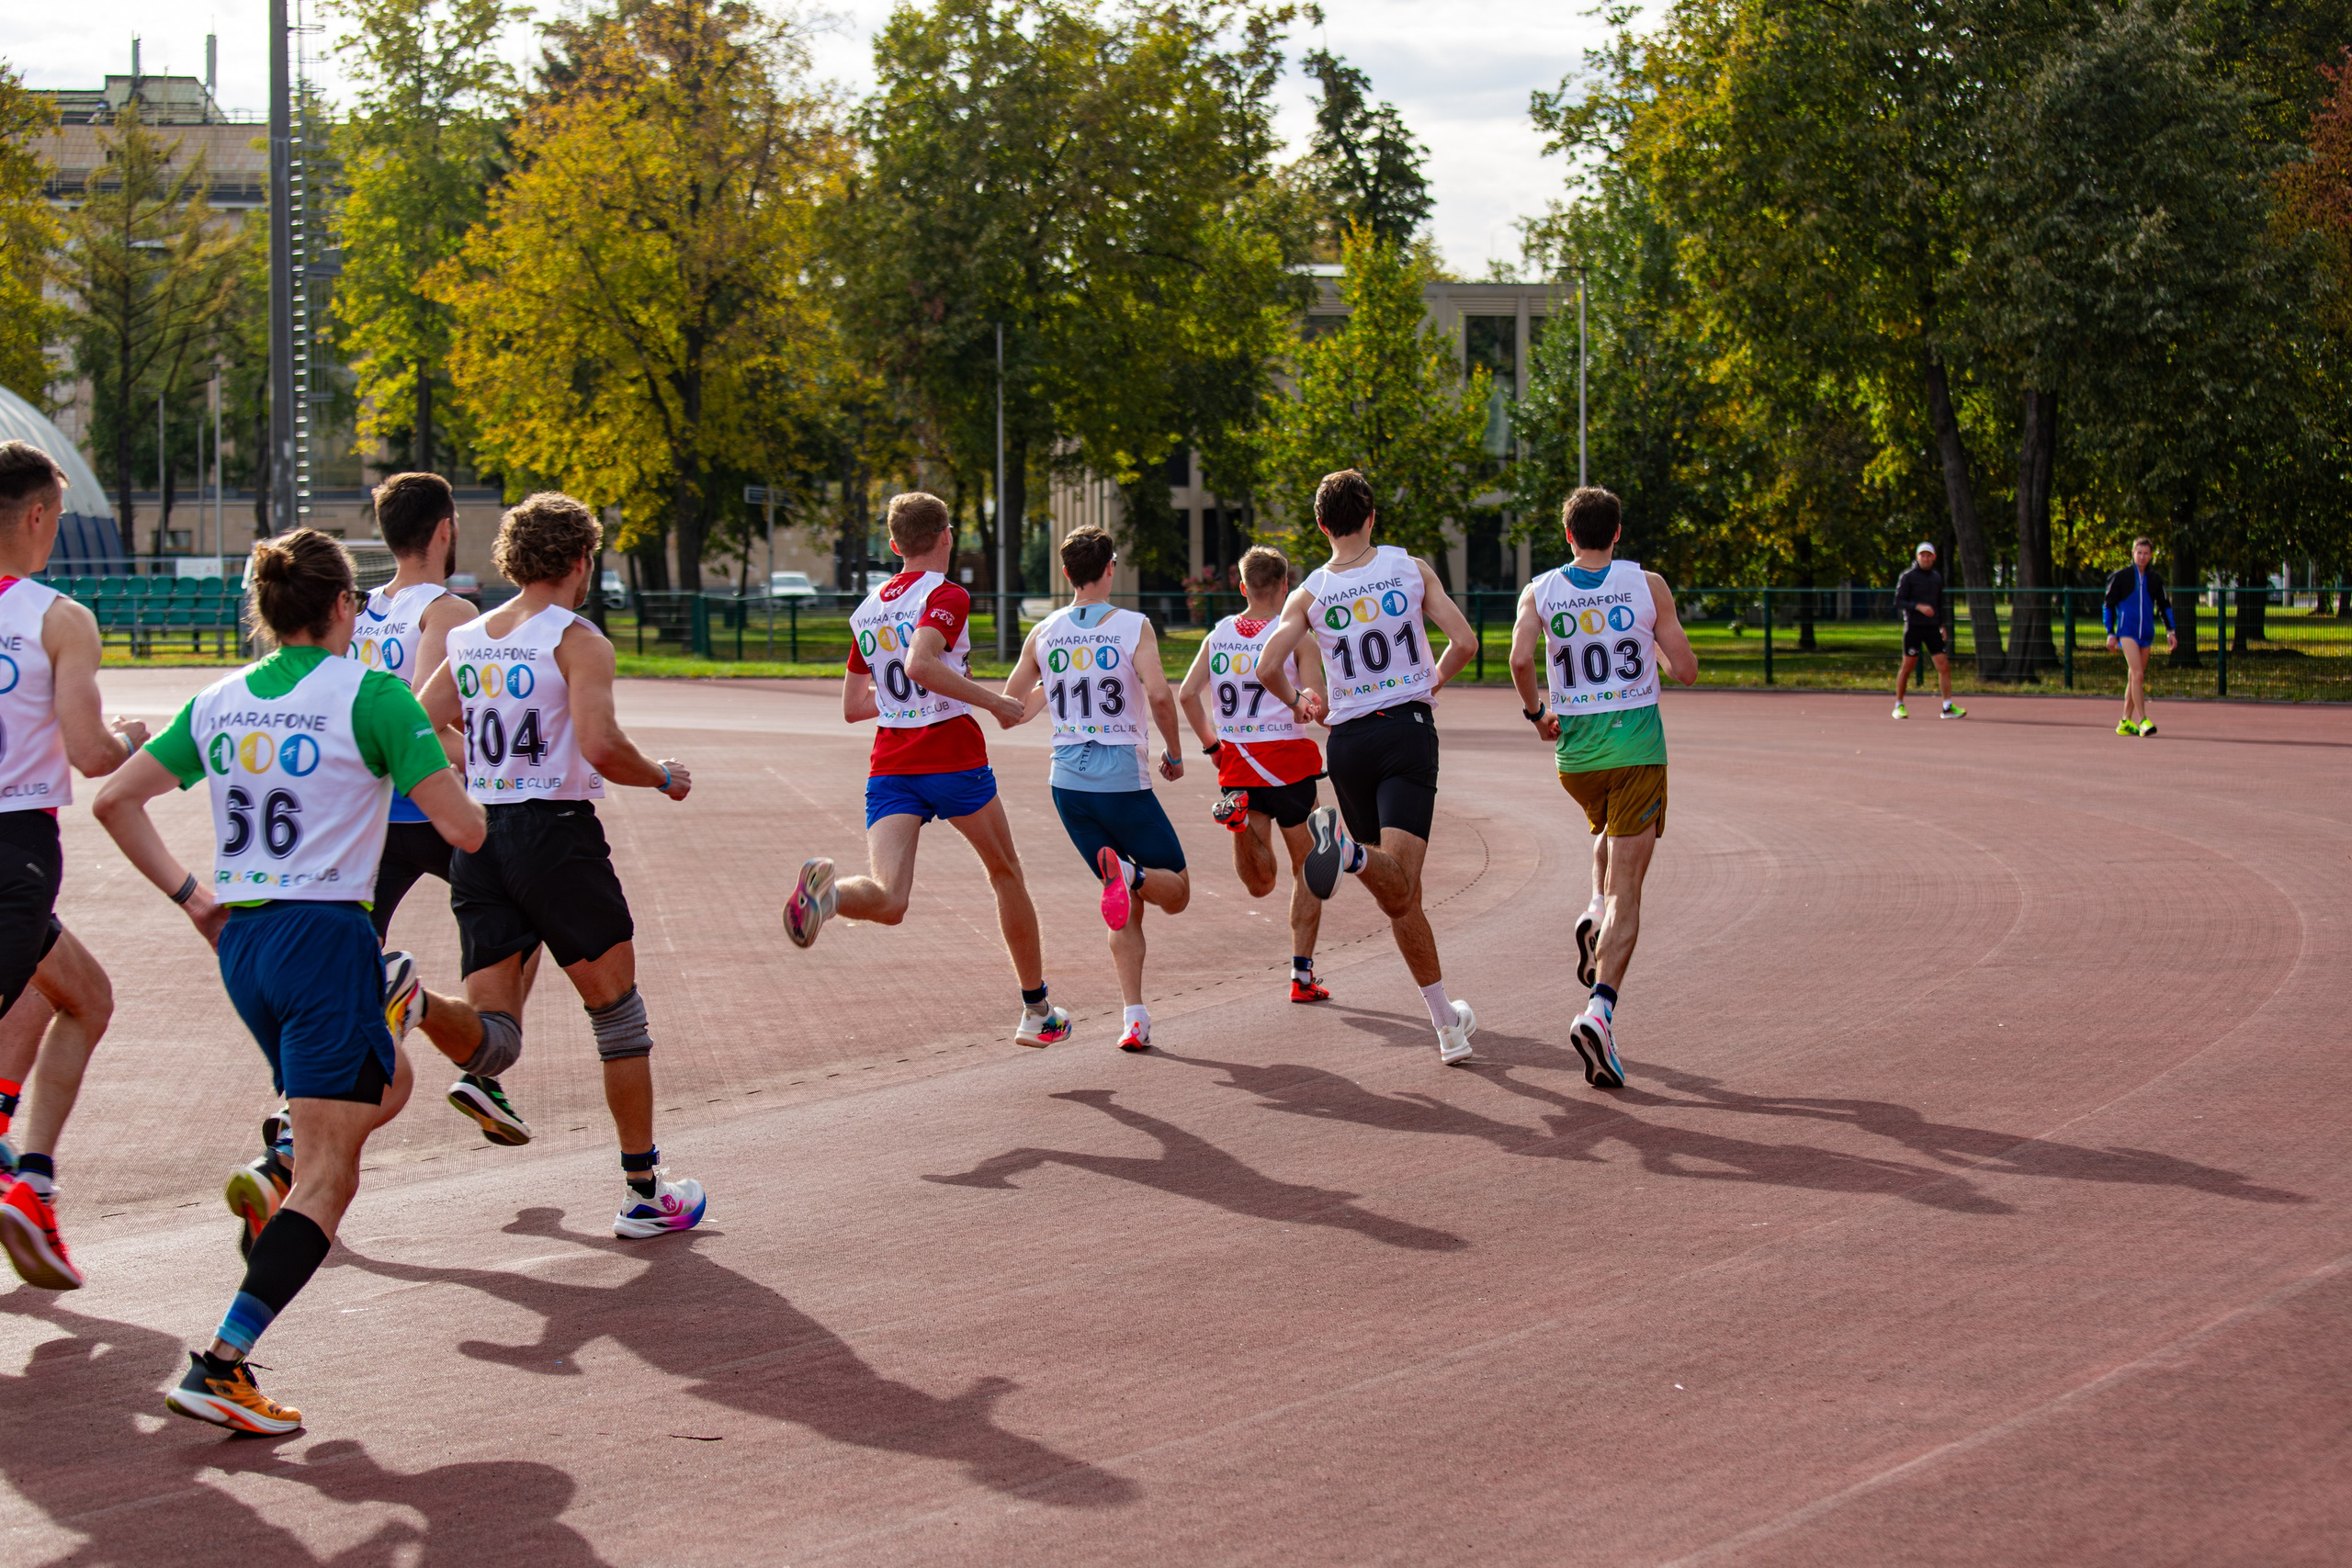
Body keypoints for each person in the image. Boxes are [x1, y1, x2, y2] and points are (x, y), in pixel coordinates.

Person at [92, 527, 487, 1433]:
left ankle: (381, 1025)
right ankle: (220, 1364)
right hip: (324, 939)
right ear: (346, 606)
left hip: (247, 949)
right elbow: (462, 831)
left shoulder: (223, 698)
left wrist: (193, 898)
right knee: (328, 1176)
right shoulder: (377, 697)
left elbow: (115, 799)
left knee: (386, 1084)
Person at [221, 471, 523, 1256]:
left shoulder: (363, 606)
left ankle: (291, 1135)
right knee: (513, 920)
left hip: (361, 818)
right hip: (425, 803)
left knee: (327, 990)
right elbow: (423, 711)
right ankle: (482, 1067)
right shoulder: (451, 611)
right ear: (446, 529)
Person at [414, 492, 707, 1237]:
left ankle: (412, 1000)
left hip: (482, 839)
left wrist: (480, 749)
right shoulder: (578, 639)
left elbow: (421, 719)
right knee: (618, 1017)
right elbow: (601, 744)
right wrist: (663, 776)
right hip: (555, 835)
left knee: (495, 1035)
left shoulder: (474, 633)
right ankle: (644, 1193)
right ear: (580, 560)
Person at [780, 492, 1072, 1049]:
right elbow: (920, 662)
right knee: (1006, 871)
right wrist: (993, 702)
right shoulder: (947, 593)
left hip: (890, 762)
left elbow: (853, 705)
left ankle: (830, 897)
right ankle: (1037, 1013)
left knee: (889, 901)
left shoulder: (866, 610)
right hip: (950, 754)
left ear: (893, 545)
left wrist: (902, 703)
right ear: (947, 536)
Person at [1256, 469, 1482, 1066]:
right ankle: (1351, 854)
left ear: (1322, 525)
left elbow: (1265, 664)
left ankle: (1446, 1025)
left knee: (1400, 896)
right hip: (1406, 732)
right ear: (1372, 516)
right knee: (1402, 885)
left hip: (1348, 744)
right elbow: (1464, 641)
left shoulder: (1307, 593)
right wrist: (1430, 679)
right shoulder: (1408, 568)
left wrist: (1301, 701)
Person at [0, 442, 148, 1292]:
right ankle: (23, 1177)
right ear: (34, 516)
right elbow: (93, 754)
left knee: (79, 994)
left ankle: (32, 1180)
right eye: (53, 516)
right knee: (65, 995)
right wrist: (131, 735)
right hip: (14, 851)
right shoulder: (58, 618)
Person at [1508, 487, 1698, 1089]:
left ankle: (1592, 908)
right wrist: (1657, 655)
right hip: (1637, 751)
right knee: (1630, 892)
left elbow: (1517, 657)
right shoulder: (1648, 584)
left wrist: (1538, 713)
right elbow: (1686, 668)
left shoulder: (1539, 590)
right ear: (1617, 533)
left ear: (1568, 536)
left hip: (1577, 757)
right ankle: (1601, 1011)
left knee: (1605, 832)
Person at [1003, 527, 1191, 1051]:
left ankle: (1134, 1017)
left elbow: (1011, 710)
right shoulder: (1133, 626)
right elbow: (1158, 695)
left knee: (1124, 899)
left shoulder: (1043, 631)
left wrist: (1060, 682)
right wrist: (1174, 754)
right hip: (1121, 781)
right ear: (1111, 568)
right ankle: (1128, 870)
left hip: (1068, 786)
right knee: (1174, 890)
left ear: (1067, 574)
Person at [1177, 544, 1331, 1003]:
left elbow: (1187, 695)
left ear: (1242, 587)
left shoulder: (1218, 635)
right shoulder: (1296, 637)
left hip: (1238, 764)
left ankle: (1240, 824)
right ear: (1285, 586)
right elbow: (1314, 699)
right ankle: (1301, 978)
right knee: (1311, 870)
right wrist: (1307, 702)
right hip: (1287, 762)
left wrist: (1212, 747)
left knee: (1260, 883)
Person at [2103, 536, 2176, 736]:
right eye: (2139, 553)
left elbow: (2164, 606)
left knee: (2134, 678)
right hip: (2127, 632)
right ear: (2133, 553)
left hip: (2147, 634)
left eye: (2146, 553)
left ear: (2151, 555)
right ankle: (2143, 720)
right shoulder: (2121, 577)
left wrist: (2171, 631)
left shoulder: (2155, 579)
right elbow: (2108, 605)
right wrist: (2110, 632)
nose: (2142, 557)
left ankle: (2125, 722)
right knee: (2138, 675)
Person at [1892, 542, 1965, 719]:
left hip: (1932, 628)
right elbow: (1898, 601)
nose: (1925, 558)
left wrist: (1942, 625)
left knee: (1944, 666)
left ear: (1933, 557)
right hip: (1914, 628)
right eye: (1922, 555)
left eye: (1928, 555)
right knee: (1908, 667)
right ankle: (1899, 705)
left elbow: (1939, 604)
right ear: (1917, 557)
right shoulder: (1907, 576)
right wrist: (1918, 607)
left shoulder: (1936, 578)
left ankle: (1947, 707)